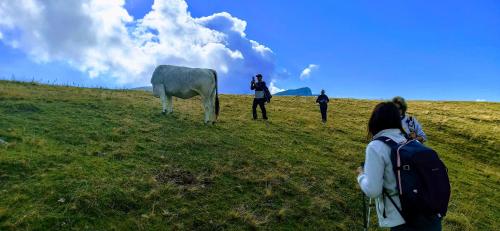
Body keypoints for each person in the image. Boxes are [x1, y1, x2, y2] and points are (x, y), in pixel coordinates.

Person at [357, 102, 442, 231]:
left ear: (375, 120)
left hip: (404, 221)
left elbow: (373, 191)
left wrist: (361, 176)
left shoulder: (376, 146)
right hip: (431, 218)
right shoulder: (411, 142)